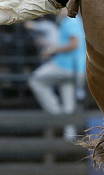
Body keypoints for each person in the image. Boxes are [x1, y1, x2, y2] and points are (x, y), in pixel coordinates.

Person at [28, 8, 86, 139]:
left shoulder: (70, 20)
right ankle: (69, 138)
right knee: (69, 105)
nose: (59, 10)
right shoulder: (77, 21)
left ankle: (57, 115)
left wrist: (52, 49)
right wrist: (49, 45)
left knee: (35, 80)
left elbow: (74, 44)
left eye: (62, 7)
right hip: (77, 69)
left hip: (65, 66)